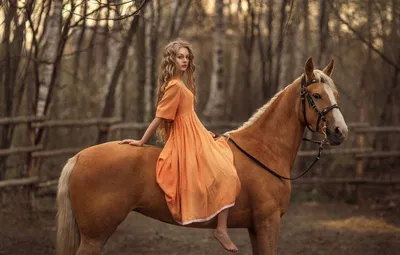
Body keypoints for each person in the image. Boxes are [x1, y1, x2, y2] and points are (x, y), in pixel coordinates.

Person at [119, 39, 241, 253]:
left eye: (186, 57)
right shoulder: (174, 87)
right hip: (184, 139)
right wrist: (141, 141)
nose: (184, 60)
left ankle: (220, 225)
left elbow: (190, 115)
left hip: (195, 134)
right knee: (226, 174)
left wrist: (205, 132)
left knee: (224, 161)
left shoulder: (181, 84)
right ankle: (220, 229)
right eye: (180, 57)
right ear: (171, 60)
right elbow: (159, 117)